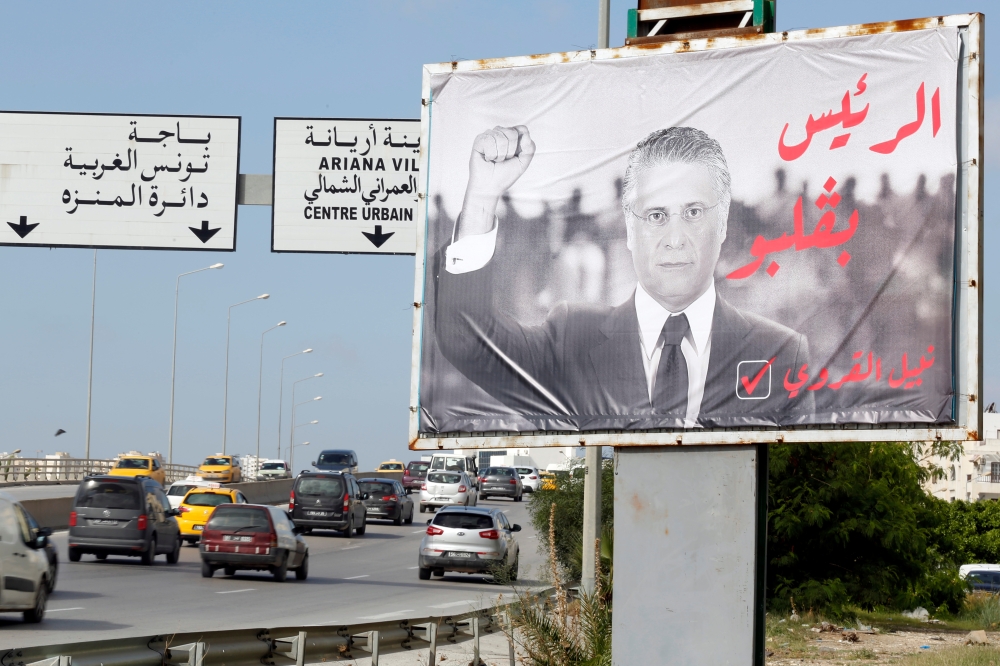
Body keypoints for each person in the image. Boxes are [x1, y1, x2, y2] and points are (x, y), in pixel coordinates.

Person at [434, 126, 812, 429]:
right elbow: (468, 341)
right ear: (630, 229)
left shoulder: (779, 354)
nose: (675, 238)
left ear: (723, 225)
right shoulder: (572, 339)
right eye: (656, 216)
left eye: (694, 212)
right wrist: (482, 196)